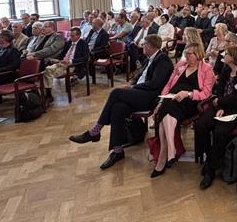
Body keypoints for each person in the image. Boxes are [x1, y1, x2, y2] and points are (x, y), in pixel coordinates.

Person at [68, 35, 173, 168]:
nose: (142, 46)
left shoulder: (162, 60)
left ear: (150, 46)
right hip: (140, 93)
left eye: (144, 44)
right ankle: (117, 151)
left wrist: (132, 87)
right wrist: (131, 82)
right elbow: (140, 75)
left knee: (116, 92)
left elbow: (155, 84)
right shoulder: (150, 59)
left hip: (149, 97)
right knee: (118, 107)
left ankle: (95, 131)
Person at [150, 43, 215, 178]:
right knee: (165, 106)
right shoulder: (181, 66)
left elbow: (206, 93)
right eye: (185, 54)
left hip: (190, 102)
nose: (186, 57)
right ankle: (170, 149)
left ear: (198, 55)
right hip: (171, 98)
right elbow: (168, 85)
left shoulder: (207, 69)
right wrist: (161, 101)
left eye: (189, 54)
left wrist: (188, 94)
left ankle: (165, 154)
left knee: (165, 111)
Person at [195, 45, 237, 189]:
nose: (223, 56)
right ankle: (211, 156)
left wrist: (220, 102)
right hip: (221, 107)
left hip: (235, 110)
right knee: (200, 125)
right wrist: (220, 107)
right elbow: (219, 91)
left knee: (219, 132)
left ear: (233, 57)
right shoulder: (226, 71)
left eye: (226, 54)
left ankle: (210, 169)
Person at [43, 27, 90, 101]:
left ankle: (48, 95)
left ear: (78, 35)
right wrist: (57, 59)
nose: (70, 37)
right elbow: (62, 53)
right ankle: (48, 94)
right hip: (62, 62)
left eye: (72, 36)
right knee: (47, 70)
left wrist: (71, 61)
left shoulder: (83, 44)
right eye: (70, 35)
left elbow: (85, 58)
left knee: (48, 72)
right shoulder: (69, 42)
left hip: (73, 65)